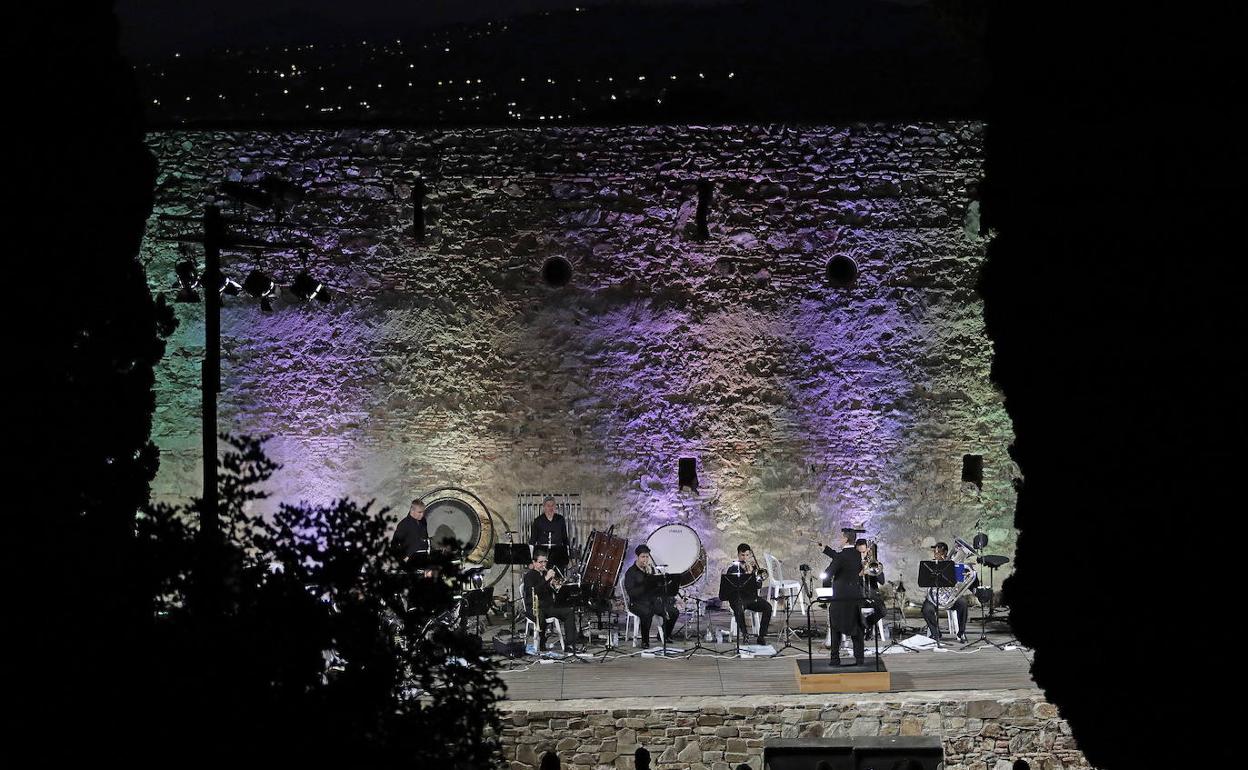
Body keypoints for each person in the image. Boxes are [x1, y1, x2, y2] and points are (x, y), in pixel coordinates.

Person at [819, 527, 865, 665]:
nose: (839, 539)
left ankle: (834, 658)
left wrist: (826, 591)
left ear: (845, 539)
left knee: (836, 627)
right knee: (857, 628)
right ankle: (859, 659)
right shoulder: (858, 555)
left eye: (841, 537)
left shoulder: (841, 556)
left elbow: (828, 574)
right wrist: (826, 549)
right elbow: (842, 558)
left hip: (840, 598)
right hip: (856, 597)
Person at [522, 548, 579, 651]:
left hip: (548, 606)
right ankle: (541, 642)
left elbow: (551, 593)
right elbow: (533, 592)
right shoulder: (529, 576)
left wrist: (557, 586)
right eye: (540, 562)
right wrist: (546, 579)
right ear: (534, 563)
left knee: (569, 611)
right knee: (541, 614)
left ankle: (570, 644)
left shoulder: (545, 574)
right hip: (535, 607)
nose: (543, 564)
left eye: (545, 561)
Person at [623, 544, 679, 647]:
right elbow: (631, 592)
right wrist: (645, 585)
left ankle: (665, 634)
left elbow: (658, 587)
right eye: (642, 557)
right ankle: (645, 641)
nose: (645, 559)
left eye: (647, 556)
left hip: (652, 601)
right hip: (636, 603)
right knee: (647, 613)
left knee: (673, 612)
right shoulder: (631, 572)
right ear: (637, 557)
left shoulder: (651, 570)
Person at [922, 541, 973, 643]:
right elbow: (925, 581)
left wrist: (964, 575)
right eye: (935, 553)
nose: (936, 554)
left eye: (939, 552)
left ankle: (961, 633)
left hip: (950, 598)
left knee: (963, 603)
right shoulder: (930, 566)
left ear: (945, 553)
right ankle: (936, 633)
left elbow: (959, 582)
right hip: (934, 598)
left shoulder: (955, 565)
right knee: (926, 609)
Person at [725, 543, 772, 645]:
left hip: (751, 598)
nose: (745, 558)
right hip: (737, 598)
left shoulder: (753, 568)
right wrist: (746, 575)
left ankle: (761, 636)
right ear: (738, 555)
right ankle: (745, 634)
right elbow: (730, 586)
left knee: (768, 607)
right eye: (742, 555)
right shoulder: (733, 568)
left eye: (747, 555)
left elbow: (758, 585)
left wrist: (752, 575)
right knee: (739, 608)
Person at [529, 496, 570, 568]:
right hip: (542, 554)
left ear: (555, 507)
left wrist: (568, 557)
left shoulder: (560, 519)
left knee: (559, 575)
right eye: (548, 506)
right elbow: (532, 540)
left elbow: (565, 538)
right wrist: (531, 560)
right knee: (544, 575)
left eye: (552, 505)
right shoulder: (538, 521)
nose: (551, 508)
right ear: (544, 507)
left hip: (558, 552)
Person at [390, 499, 431, 564]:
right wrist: (404, 557)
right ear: (412, 510)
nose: (422, 514)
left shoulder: (423, 521)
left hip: (424, 557)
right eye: (419, 512)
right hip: (411, 561)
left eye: (423, 512)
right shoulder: (404, 524)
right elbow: (394, 544)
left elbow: (424, 538)